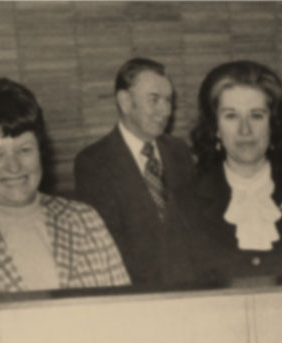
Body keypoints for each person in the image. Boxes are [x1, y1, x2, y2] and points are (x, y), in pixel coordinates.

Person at [0, 77, 130, 296]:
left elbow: (124, 317)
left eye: (25, 150)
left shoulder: (84, 221)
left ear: (40, 150)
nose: (14, 166)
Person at [166, 61, 282, 284]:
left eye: (256, 115)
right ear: (215, 127)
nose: (245, 130)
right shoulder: (184, 207)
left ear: (273, 124)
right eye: (231, 116)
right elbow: (178, 309)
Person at [73, 58, 196, 286]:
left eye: (169, 100)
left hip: (189, 288)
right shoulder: (94, 163)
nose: (166, 110)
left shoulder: (179, 151)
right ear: (125, 101)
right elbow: (106, 248)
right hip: (135, 294)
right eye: (154, 100)